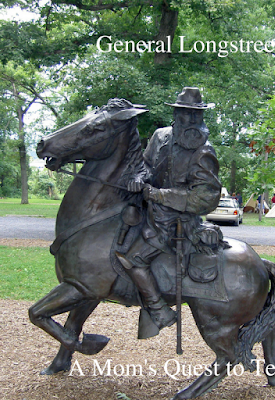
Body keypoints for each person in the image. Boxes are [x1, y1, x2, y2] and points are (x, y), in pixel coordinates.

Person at [115, 87, 221, 331]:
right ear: (176, 114)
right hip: (148, 211)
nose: (189, 119)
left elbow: (205, 198)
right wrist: (138, 179)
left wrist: (159, 195)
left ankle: (160, 311)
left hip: (176, 222)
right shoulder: (160, 136)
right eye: (184, 113)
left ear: (201, 116)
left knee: (133, 259)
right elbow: (146, 165)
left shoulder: (204, 152)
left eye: (195, 114)